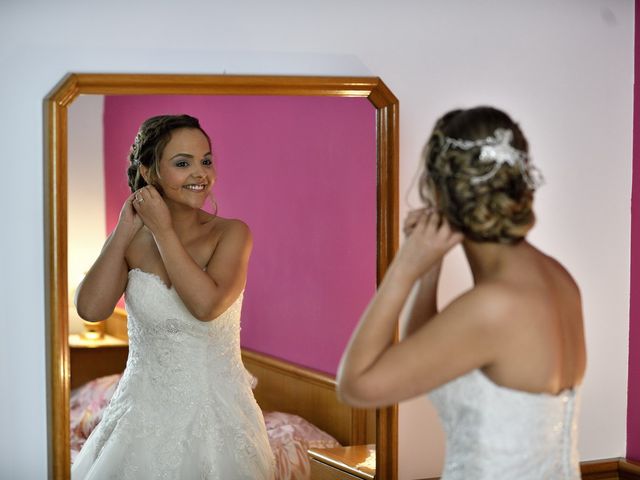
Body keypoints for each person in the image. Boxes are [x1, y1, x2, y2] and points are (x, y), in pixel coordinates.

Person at [337, 106, 586, 479]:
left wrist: (403, 267)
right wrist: (429, 269)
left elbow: (355, 387)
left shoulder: (493, 307)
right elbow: (430, 358)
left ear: (440, 192)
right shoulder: (559, 279)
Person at [71, 114, 275, 479]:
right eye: (183, 163)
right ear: (149, 173)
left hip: (216, 421)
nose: (201, 173)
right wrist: (123, 229)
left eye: (206, 161)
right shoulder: (132, 241)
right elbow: (90, 309)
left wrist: (162, 229)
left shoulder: (232, 234)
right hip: (139, 417)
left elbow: (206, 307)